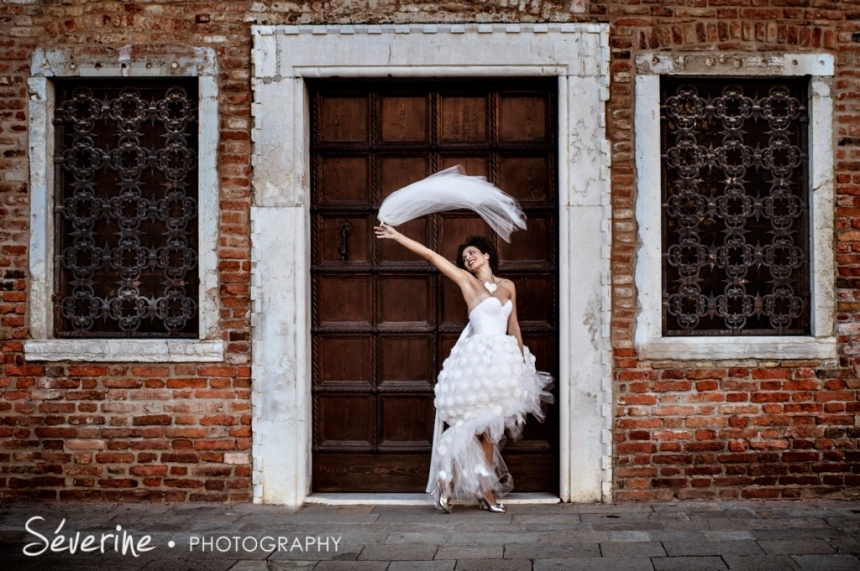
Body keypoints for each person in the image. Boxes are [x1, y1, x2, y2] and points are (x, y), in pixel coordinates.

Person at [374, 224, 553, 514]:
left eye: (472, 253)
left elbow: (514, 325)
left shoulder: (508, 286)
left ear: (486, 255)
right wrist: (398, 236)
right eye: (464, 256)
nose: (468, 258)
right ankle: (448, 479)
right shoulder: (467, 282)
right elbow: (432, 256)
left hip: (504, 361)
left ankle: (485, 491)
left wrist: (521, 362)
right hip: (477, 361)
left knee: (490, 431)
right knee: (475, 425)